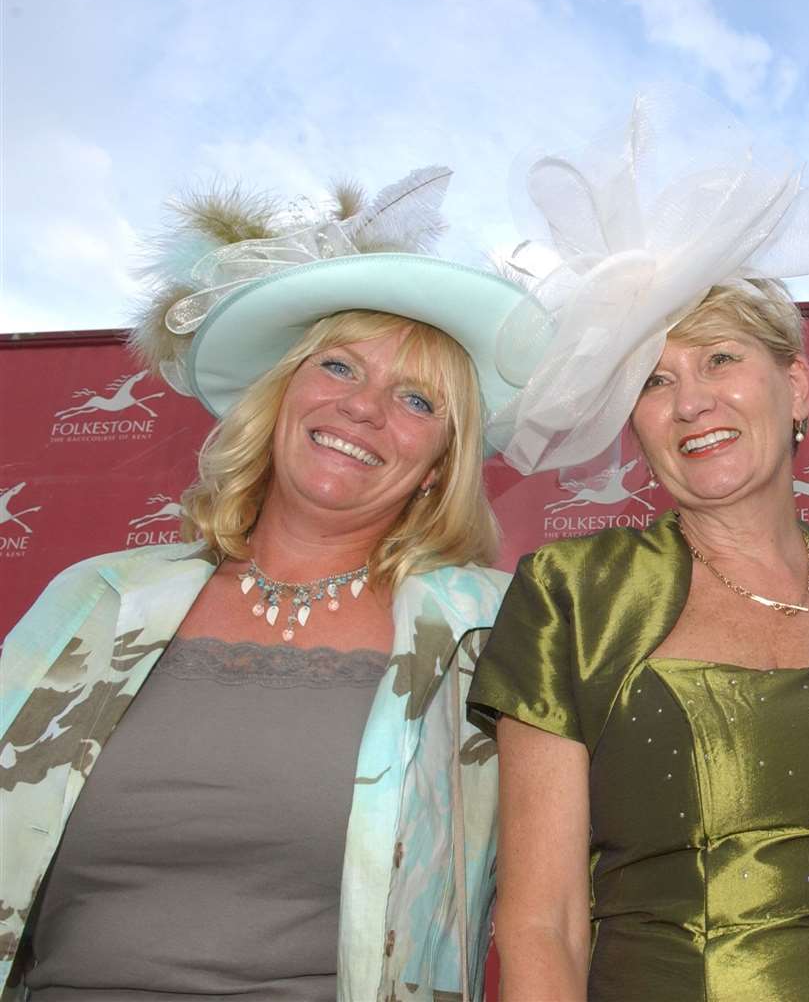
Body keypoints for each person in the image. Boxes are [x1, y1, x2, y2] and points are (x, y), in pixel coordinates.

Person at [467, 96, 809, 1001]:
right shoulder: (570, 593)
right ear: (629, 424)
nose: (691, 403)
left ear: (793, 386)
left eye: (719, 359)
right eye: (653, 381)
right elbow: (542, 920)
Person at [0, 168, 528, 1000]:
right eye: (340, 368)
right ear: (279, 395)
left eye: (417, 400)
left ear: (438, 470)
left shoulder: (489, 633)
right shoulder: (96, 600)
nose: (364, 409)